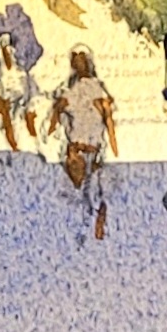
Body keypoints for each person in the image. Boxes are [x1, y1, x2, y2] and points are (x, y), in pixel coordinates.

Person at [50, 46, 119, 241]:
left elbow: (107, 116)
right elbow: (62, 108)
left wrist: (112, 144)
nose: (79, 65)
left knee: (93, 188)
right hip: (77, 147)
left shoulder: (94, 87)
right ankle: (81, 230)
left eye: (82, 61)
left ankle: (95, 223)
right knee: (78, 191)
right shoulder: (73, 88)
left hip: (90, 147)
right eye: (76, 62)